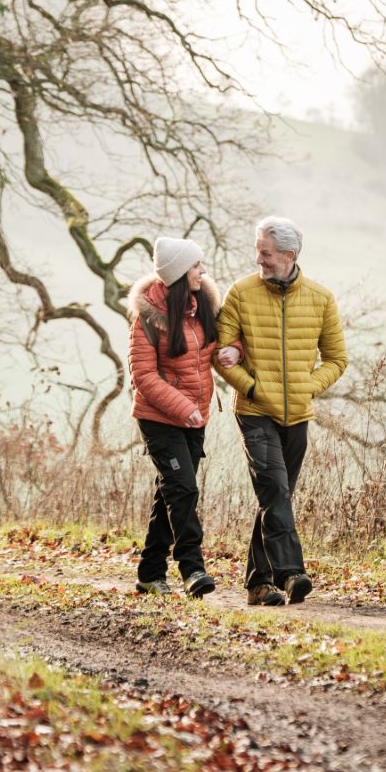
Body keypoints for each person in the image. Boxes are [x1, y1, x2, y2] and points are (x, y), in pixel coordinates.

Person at [215, 216, 347, 606]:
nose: (259, 258)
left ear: (288, 255)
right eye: (258, 250)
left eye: (266, 253)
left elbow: (337, 359)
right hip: (255, 410)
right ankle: (291, 573)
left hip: (298, 414)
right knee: (274, 488)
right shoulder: (240, 293)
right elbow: (222, 356)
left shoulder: (321, 299)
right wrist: (253, 387)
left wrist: (308, 386)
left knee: (277, 496)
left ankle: (259, 583)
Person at [128, 235, 220, 598]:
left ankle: (149, 574)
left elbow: (225, 340)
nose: (203, 271)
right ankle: (192, 568)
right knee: (183, 489)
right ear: (181, 272)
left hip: (195, 419)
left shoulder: (205, 307)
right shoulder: (147, 319)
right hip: (159, 419)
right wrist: (184, 407)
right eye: (197, 265)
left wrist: (234, 352)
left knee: (170, 495)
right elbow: (144, 377)